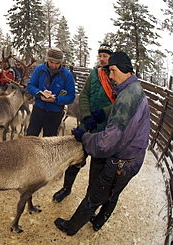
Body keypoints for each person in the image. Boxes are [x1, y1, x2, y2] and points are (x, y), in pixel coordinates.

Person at [54, 51, 150, 236]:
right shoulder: (135, 89)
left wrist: (85, 137)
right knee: (113, 193)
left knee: (95, 194)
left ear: (124, 69)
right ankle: (98, 222)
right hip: (134, 158)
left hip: (120, 161)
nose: (111, 76)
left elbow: (107, 143)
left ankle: (71, 227)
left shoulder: (127, 97)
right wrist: (100, 113)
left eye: (113, 71)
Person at [53, 44, 115, 202]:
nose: (102, 59)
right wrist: (86, 117)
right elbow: (85, 95)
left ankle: (90, 199)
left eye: (105, 56)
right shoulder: (95, 74)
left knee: (97, 167)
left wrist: (104, 113)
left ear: (111, 57)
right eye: (100, 55)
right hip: (87, 125)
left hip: (105, 129)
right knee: (75, 159)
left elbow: (121, 102)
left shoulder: (117, 76)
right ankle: (66, 188)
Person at [26, 47, 75, 137]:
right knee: (30, 137)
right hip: (38, 110)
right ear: (47, 59)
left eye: (57, 63)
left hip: (55, 114)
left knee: (49, 142)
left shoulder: (67, 75)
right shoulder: (39, 70)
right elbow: (30, 86)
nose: (54, 65)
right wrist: (39, 93)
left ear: (61, 62)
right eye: (51, 62)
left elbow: (71, 97)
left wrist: (56, 99)